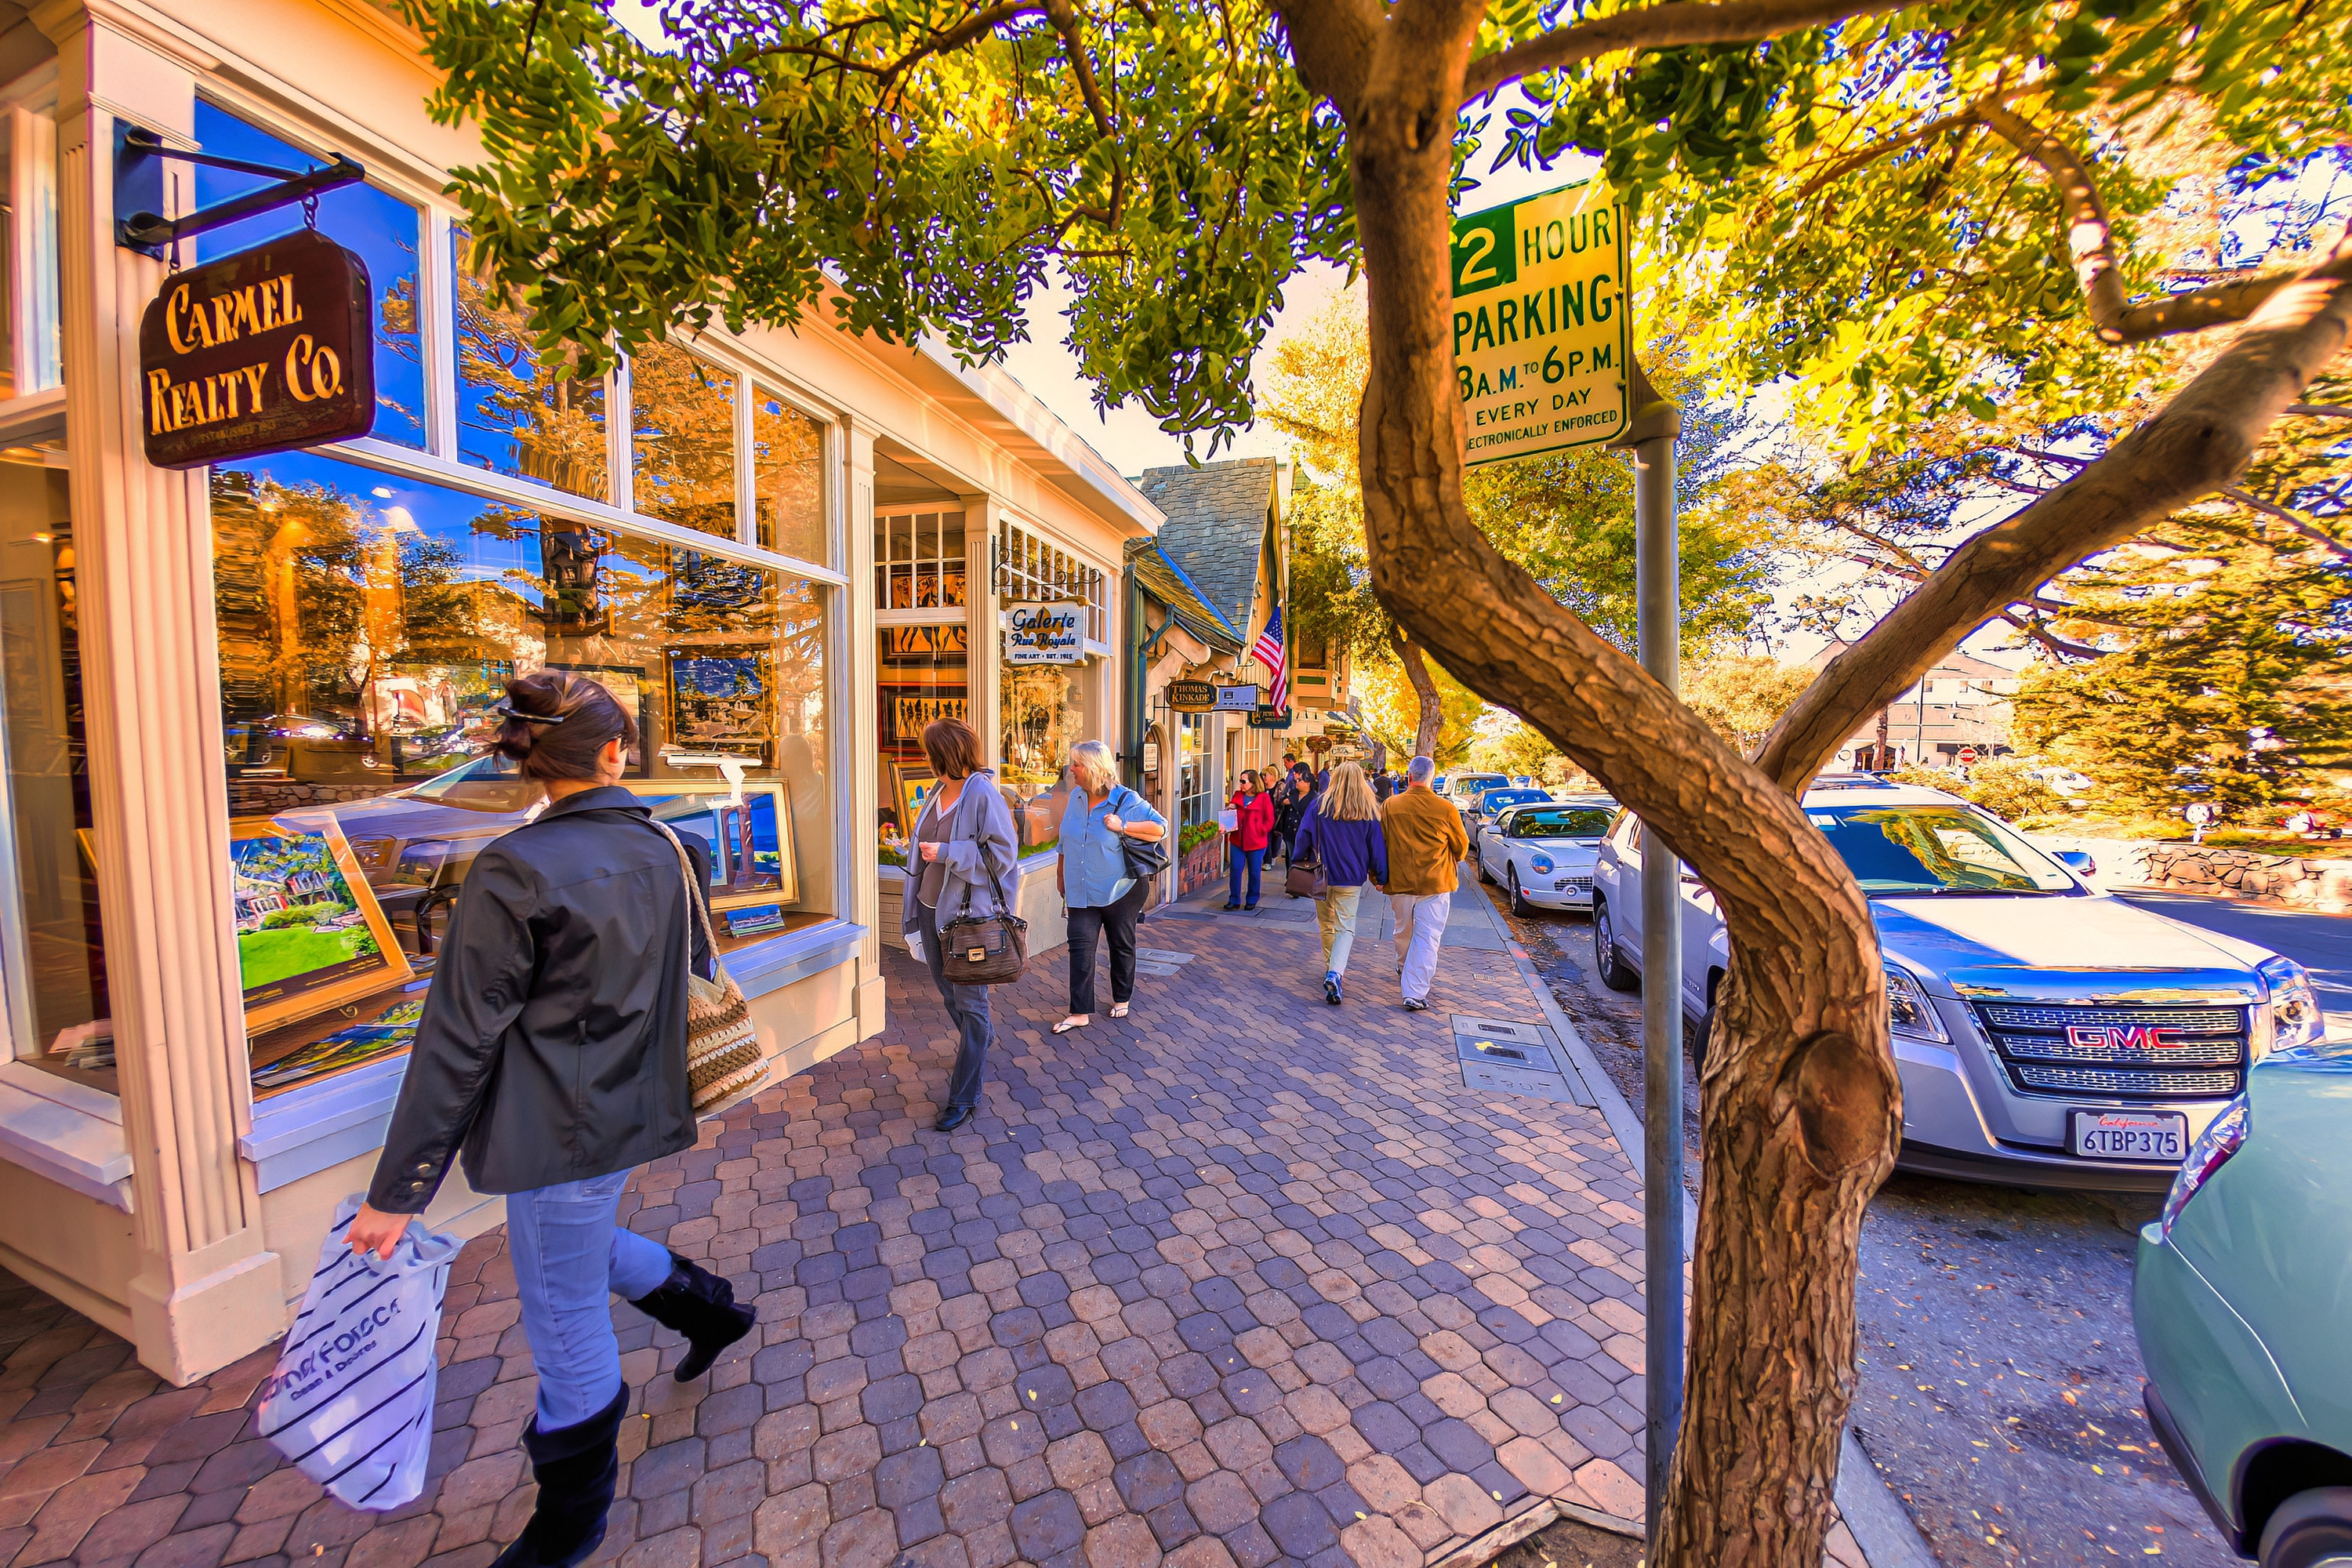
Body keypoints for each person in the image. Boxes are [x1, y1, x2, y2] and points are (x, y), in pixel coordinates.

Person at [347, 671, 756, 1568]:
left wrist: (398, 1191)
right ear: (616, 754)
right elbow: (684, 971)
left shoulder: (514, 867)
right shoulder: (669, 849)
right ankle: (712, 1312)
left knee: (563, 1312)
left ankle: (571, 1524)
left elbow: (457, 1038)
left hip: (559, 1125)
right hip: (634, 1105)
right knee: (574, 1250)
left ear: (532, 762)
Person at [903, 717, 1018, 1132]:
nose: (924, 757)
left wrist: (949, 851)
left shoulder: (983, 793)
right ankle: (981, 1040)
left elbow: (1003, 857)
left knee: (971, 1004)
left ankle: (964, 1096)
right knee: (949, 995)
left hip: (968, 920)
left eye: (928, 751)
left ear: (944, 754)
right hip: (932, 910)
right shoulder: (937, 792)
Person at [1054, 740, 1168, 1033]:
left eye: (1076, 765)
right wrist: (1060, 875)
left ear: (1092, 768)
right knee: (1080, 947)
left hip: (1121, 889)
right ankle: (1079, 1012)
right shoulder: (1076, 798)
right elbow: (1065, 840)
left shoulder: (1126, 799)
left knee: (1121, 944)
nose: (1072, 770)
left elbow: (1161, 828)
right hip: (1081, 888)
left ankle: (1121, 997)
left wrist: (1123, 826)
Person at [1380, 755, 1470, 1012]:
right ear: (1431, 779)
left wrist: (1377, 877)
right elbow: (1462, 848)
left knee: (1403, 931)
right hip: (1436, 882)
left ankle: (1404, 969)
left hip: (1400, 881)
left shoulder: (1390, 806)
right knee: (1428, 937)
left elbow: (1379, 844)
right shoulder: (1446, 809)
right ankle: (1415, 991)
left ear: (1409, 777)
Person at [1292, 762, 1387, 1005]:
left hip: (1322, 875)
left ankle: (1330, 969)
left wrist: (1298, 861)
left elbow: (1303, 837)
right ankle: (1336, 972)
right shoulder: (1368, 809)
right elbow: (1377, 848)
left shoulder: (1319, 805)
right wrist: (1381, 877)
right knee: (1346, 928)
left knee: (1326, 925)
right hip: (1352, 878)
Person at [1223, 769, 1277, 909]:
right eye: (1240, 781)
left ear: (1253, 783)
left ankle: (1252, 899)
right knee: (1235, 869)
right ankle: (1234, 899)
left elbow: (1270, 819)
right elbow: (1230, 816)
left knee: (1254, 872)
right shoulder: (1237, 795)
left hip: (1256, 842)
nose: (1240, 784)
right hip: (1237, 840)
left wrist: (1260, 830)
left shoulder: (1263, 798)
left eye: (1243, 781)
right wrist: (1229, 810)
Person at [1271, 767, 1314, 866]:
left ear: (1308, 783)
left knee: (1303, 860)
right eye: (1297, 780)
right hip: (1290, 832)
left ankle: (1300, 880)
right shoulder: (1293, 793)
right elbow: (1280, 802)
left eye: (1300, 780)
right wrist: (1285, 802)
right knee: (1291, 859)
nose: (1297, 782)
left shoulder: (1314, 797)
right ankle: (1291, 880)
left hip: (1305, 833)